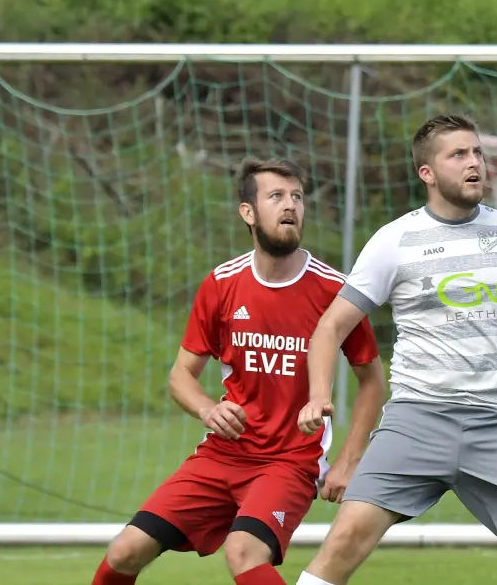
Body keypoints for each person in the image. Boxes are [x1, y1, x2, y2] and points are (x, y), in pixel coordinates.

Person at [293, 115, 497, 585]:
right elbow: (329, 327)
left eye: (477, 153)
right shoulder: (393, 240)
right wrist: (319, 393)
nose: (474, 163)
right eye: (458, 155)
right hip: (417, 418)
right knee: (343, 543)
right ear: (427, 172)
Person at [93, 158, 384, 585]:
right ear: (248, 212)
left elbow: (373, 379)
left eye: (297, 197)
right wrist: (208, 410)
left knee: (244, 550)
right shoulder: (223, 283)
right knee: (124, 551)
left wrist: (348, 460)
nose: (290, 206)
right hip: (224, 453)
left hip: (289, 460)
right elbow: (180, 376)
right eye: (276, 196)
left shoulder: (333, 289)